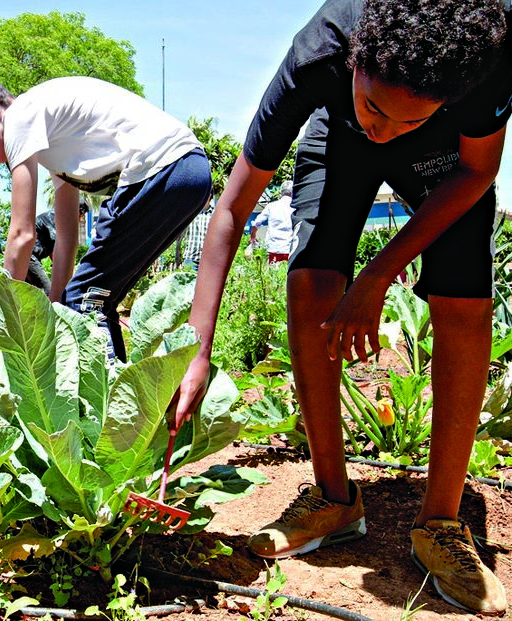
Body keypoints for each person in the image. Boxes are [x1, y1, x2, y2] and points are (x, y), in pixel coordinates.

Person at [174, 0, 511, 614]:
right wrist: (195, 351)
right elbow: (231, 210)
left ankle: (440, 522)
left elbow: (477, 169)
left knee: (463, 297)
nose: (385, 128)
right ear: (356, 59)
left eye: (405, 118)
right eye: (377, 107)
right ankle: (333, 496)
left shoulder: (486, 59)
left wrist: (380, 274)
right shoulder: (319, 52)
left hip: (449, 157)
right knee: (310, 281)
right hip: (336, 136)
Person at [0, 74, 212, 361]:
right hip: (190, 172)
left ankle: (109, 404)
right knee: (92, 298)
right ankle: (118, 396)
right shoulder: (53, 146)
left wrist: (1, 323)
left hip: (163, 169)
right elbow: (67, 238)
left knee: (87, 299)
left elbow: (21, 235)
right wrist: (55, 308)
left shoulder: (19, 116)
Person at [24, 200, 90, 293]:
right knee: (47, 291)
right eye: (81, 215)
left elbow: (52, 249)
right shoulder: (55, 217)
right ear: (76, 210)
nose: (80, 219)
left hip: (30, 257)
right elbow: (58, 245)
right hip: (29, 256)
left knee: (30, 293)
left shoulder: (58, 218)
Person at [249, 180, 294, 263]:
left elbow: (256, 223)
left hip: (273, 249)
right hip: (289, 249)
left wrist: (253, 237)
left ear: (281, 192)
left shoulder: (271, 206)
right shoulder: (296, 207)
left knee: (272, 273)